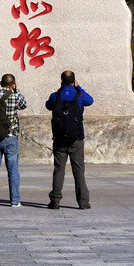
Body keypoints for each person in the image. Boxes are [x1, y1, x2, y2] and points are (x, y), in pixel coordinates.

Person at [46, 70, 94, 209]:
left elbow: (48, 105)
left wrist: (61, 89)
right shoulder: (79, 95)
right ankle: (83, 201)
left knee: (59, 169)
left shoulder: (55, 96)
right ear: (74, 81)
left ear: (61, 81)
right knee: (78, 170)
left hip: (60, 139)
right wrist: (78, 87)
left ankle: (55, 200)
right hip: (76, 138)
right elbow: (90, 101)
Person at [0, 74, 27, 207]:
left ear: (0, 82)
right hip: (10, 137)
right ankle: (15, 201)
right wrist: (16, 90)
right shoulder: (15, 96)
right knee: (13, 171)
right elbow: (23, 105)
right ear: (13, 84)